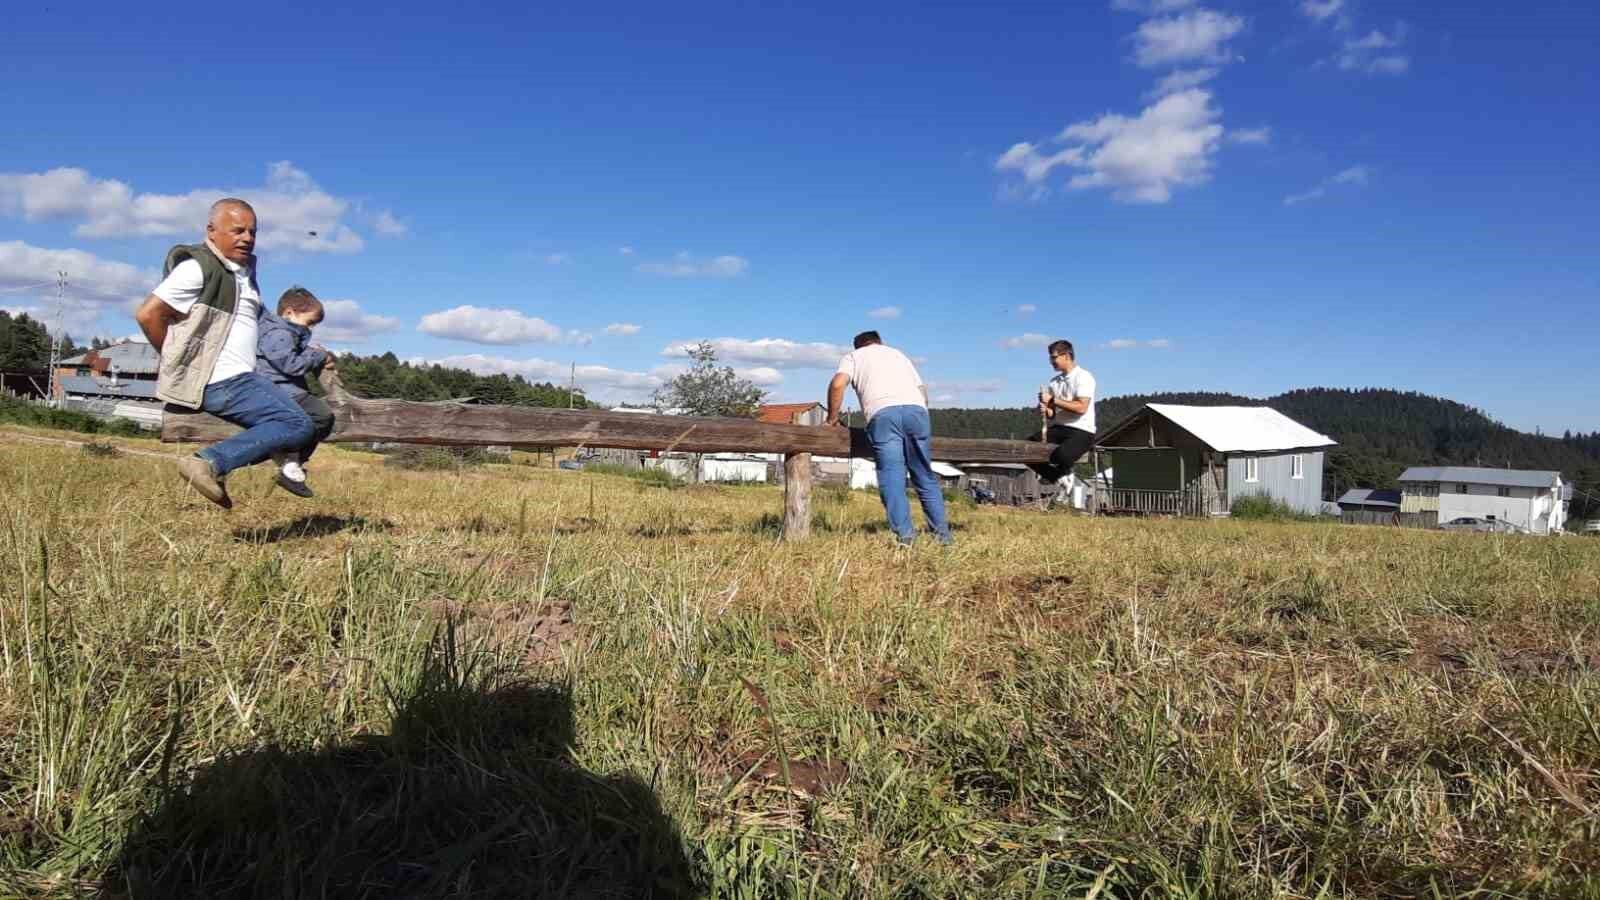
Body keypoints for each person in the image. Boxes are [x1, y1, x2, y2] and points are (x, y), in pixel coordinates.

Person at [133, 199, 315, 509]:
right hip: (221, 378)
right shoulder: (198, 268)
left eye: (252, 232)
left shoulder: (240, 274)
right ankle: (207, 463)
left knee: (299, 423)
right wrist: (178, 361)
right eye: (238, 230)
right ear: (212, 231)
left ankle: (226, 466)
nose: (247, 238)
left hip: (240, 377)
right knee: (298, 425)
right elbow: (149, 315)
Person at [826, 331, 952, 546]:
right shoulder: (898, 355)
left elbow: (838, 384)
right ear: (880, 342)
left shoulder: (854, 357)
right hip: (917, 412)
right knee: (924, 476)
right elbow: (923, 393)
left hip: (883, 413)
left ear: (858, 346)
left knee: (893, 479)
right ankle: (943, 539)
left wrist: (832, 418)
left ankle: (906, 539)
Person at [256, 286, 337, 498]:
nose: (311, 328)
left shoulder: (287, 332)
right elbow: (291, 365)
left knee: (320, 418)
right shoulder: (279, 333)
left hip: (285, 388)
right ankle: (291, 460)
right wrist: (319, 356)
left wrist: (317, 353)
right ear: (290, 313)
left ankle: (291, 462)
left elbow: (296, 356)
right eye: (310, 322)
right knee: (322, 416)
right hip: (278, 389)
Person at [1034, 339, 1097, 501]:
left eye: (1054, 357)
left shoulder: (1084, 377)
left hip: (1082, 430)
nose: (1051, 362)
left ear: (1067, 356)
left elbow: (1081, 407)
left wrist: (1053, 400)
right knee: (1025, 449)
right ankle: (1060, 478)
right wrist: (1045, 409)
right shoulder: (1054, 382)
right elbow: (1052, 414)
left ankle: (1067, 479)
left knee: (1061, 455)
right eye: (1050, 358)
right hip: (1059, 427)